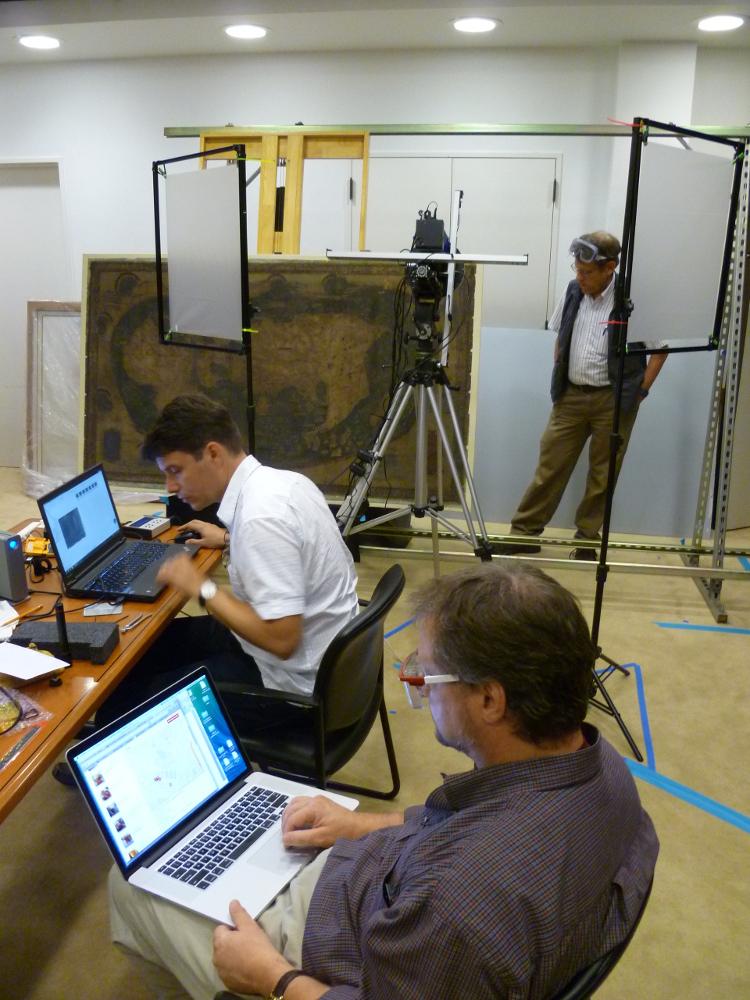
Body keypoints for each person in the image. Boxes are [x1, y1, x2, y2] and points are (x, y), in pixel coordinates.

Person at [109, 562, 659, 1000]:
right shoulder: (598, 763)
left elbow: (453, 900)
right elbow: (468, 823)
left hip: (352, 944)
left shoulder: (458, 906)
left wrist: (271, 978)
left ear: (491, 700)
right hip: (391, 890)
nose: (411, 679)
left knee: (129, 883)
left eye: (428, 670)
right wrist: (358, 825)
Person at [96, 394, 359, 728]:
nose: (171, 487)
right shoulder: (285, 483)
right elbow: (290, 548)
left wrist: (201, 587)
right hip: (317, 659)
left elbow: (282, 641)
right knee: (146, 648)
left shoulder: (260, 518)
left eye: (176, 471)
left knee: (142, 697)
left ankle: (109, 759)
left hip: (291, 687)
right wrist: (227, 538)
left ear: (213, 453)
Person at [496, 231, 667, 560]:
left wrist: (638, 394)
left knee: (603, 474)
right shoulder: (574, 290)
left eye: (587, 272)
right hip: (571, 397)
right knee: (550, 466)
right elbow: (561, 334)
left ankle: (587, 541)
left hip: (613, 401)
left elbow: (660, 351)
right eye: (577, 269)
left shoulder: (633, 299)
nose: (580, 277)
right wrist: (561, 372)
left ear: (610, 268)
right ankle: (524, 534)